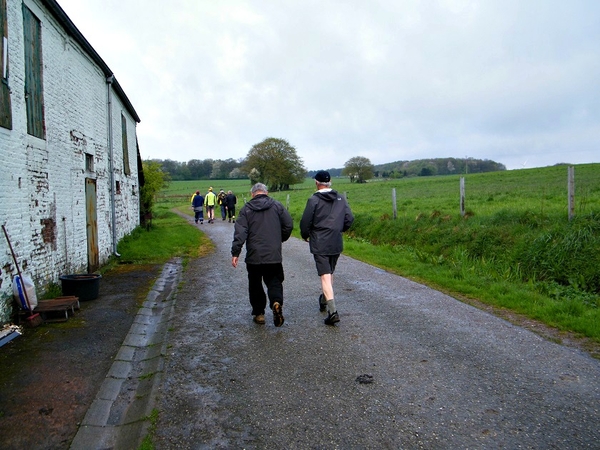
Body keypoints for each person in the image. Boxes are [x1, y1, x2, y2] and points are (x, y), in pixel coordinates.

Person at [231, 183, 293, 327]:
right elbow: (288, 225)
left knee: (255, 284)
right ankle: (276, 302)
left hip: (254, 255)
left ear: (252, 194)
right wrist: (280, 238)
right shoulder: (277, 206)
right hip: (273, 254)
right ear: (266, 192)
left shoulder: (246, 209)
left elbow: (240, 232)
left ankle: (259, 314)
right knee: (274, 280)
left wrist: (236, 252)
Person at [300, 170, 354, 325]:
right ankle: (324, 299)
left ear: (317, 183)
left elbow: (306, 221)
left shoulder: (314, 200)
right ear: (330, 182)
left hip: (319, 241)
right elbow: (350, 218)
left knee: (325, 275)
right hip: (335, 240)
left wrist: (305, 234)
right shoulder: (340, 198)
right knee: (329, 273)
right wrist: (339, 229)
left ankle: (333, 311)